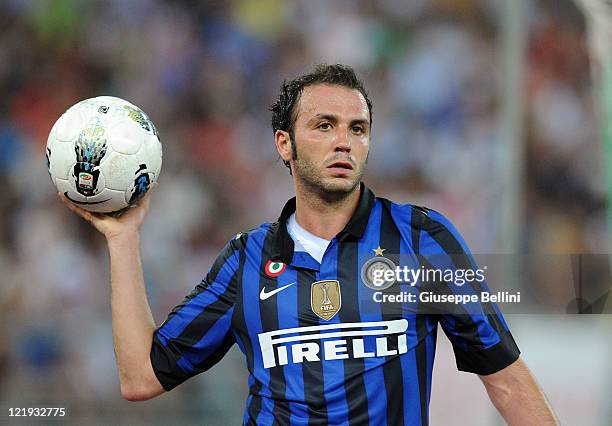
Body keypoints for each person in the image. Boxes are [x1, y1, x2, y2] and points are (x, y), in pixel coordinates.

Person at [61, 64, 558, 425]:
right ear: (285, 144)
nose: (344, 141)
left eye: (357, 129)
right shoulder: (246, 260)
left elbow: (505, 377)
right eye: (324, 126)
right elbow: (142, 378)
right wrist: (124, 239)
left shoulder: (422, 241)